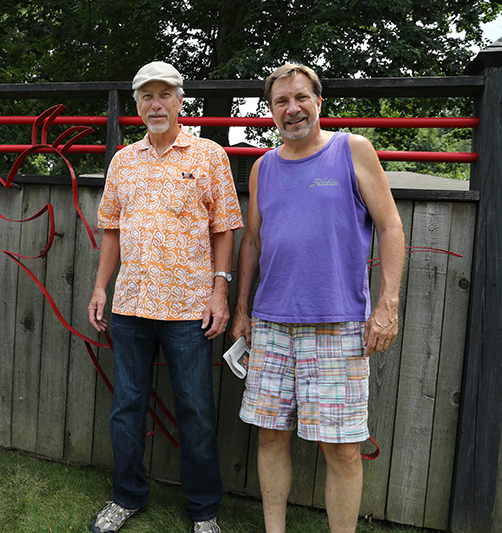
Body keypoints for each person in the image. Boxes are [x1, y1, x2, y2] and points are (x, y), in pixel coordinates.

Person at [229, 63, 405, 533]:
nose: (292, 109)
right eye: (281, 102)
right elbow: (251, 240)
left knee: (343, 448)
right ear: (270, 111)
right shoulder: (263, 167)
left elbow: (390, 226)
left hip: (339, 323)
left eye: (301, 98)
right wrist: (242, 309)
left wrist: (387, 306)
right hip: (270, 323)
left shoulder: (352, 150)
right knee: (270, 436)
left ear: (318, 101)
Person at [87, 61, 243, 533]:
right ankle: (127, 496)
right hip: (131, 303)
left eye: (164, 95)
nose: (156, 104)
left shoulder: (209, 155)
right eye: (147, 96)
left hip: (188, 308)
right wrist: (99, 286)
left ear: (180, 100)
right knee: (127, 406)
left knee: (196, 409)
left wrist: (220, 292)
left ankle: (203, 511)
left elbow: (224, 230)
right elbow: (111, 230)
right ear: (137, 105)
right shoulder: (123, 161)